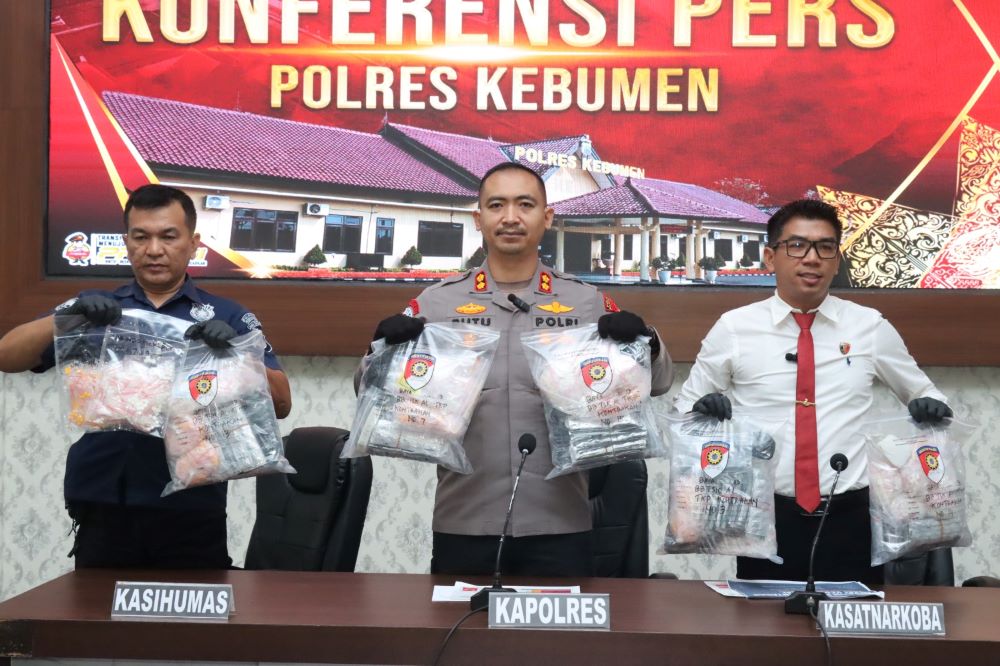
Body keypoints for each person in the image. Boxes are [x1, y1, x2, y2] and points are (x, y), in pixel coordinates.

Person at [366, 162, 674, 577]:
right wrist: (382, 353)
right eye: (497, 205)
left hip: (560, 522)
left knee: (558, 622)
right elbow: (370, 393)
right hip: (464, 520)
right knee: (460, 621)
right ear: (479, 219)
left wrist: (646, 342)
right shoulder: (437, 303)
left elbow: (657, 383)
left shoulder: (585, 302)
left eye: (525, 205)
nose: (510, 217)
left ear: (546, 217)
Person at [0, 184, 292, 569]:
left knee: (191, 607)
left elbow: (282, 402)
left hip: (191, 504)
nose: (154, 249)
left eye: (168, 236)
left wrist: (235, 356)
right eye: (141, 237)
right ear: (126, 242)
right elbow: (7, 356)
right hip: (105, 498)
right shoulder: (97, 309)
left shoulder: (228, 315)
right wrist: (65, 318)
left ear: (193, 243)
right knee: (100, 608)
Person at [674, 199, 951, 585]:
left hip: (853, 515)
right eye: (797, 246)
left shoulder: (869, 326)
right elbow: (685, 411)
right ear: (770, 257)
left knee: (853, 620)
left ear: (837, 261)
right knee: (765, 621)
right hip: (766, 515)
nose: (812, 258)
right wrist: (703, 411)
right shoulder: (734, 328)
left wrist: (930, 407)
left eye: (825, 247)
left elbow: (927, 395)